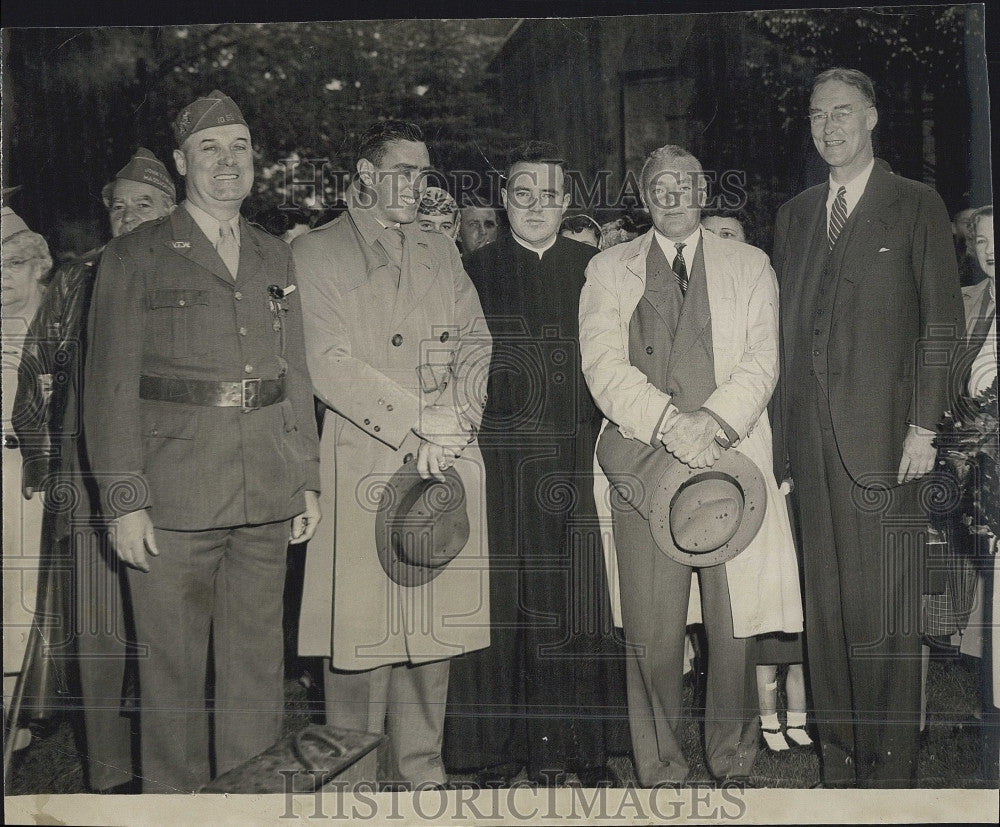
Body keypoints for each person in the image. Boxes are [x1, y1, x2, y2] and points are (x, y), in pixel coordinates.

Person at [83, 91, 321, 793]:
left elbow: (294, 371)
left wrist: (305, 476)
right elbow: (108, 388)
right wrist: (125, 499)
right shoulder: (134, 256)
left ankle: (245, 808)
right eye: (210, 149)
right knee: (173, 680)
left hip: (264, 490)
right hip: (174, 498)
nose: (227, 163)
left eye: (240, 147)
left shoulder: (276, 253)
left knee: (255, 673)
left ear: (255, 162)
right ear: (183, 162)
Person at [579, 144, 803, 786]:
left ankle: (732, 755)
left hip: (728, 455)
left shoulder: (750, 263)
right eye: (659, 186)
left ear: (704, 192)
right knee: (652, 623)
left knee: (733, 621)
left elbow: (763, 359)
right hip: (642, 457)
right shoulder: (607, 268)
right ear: (643, 197)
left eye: (685, 183)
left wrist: (710, 424)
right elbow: (602, 365)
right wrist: (671, 425)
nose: (673, 195)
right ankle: (660, 763)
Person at [771, 68, 964, 788]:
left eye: (844, 112)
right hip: (810, 451)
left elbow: (942, 326)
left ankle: (889, 773)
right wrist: (783, 447)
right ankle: (839, 760)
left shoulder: (914, 204)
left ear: (874, 117)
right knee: (825, 610)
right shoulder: (795, 216)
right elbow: (787, 337)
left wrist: (924, 425)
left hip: (888, 443)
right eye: (819, 115)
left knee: (882, 607)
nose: (830, 127)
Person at [292, 120, 492, 788]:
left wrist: (457, 425)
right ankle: (350, 788)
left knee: (429, 640)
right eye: (403, 172)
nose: (417, 185)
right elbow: (328, 363)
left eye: (424, 173)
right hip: (365, 465)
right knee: (361, 645)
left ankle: (421, 778)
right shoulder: (317, 253)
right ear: (367, 174)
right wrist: (424, 423)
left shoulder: (441, 250)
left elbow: (476, 345)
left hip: (442, 465)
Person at [443, 141, 625, 787]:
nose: (535, 206)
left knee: (570, 598)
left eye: (549, 195)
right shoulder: (473, 269)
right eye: (522, 194)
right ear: (504, 200)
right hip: (497, 454)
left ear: (567, 201)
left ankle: (578, 748)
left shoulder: (595, 268)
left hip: (573, 454)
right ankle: (496, 750)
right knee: (501, 602)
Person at [12, 149, 176, 793]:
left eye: (146, 203)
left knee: (170, 633)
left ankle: (172, 767)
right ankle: (109, 776)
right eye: (119, 205)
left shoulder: (188, 272)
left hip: (175, 479)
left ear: (171, 210)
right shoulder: (78, 277)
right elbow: (33, 373)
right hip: (87, 484)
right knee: (100, 633)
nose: (130, 215)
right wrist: (42, 455)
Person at [701, 209, 812, 754]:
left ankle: (769, 713)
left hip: (750, 441)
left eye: (732, 235)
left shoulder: (756, 285)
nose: (721, 244)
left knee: (759, 588)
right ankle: (740, 713)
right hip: (693, 444)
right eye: (712, 234)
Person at [2, 207, 51, 754]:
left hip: (34, 478)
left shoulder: (56, 326)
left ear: (40, 264)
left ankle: (23, 710)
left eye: (14, 263)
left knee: (27, 593)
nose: (4, 279)